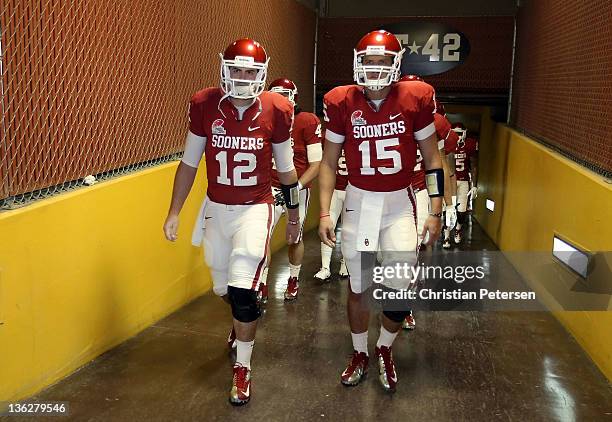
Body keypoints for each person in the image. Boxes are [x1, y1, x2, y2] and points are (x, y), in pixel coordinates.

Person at [162, 38, 300, 406]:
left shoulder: (277, 108)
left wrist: (295, 216)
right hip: (216, 207)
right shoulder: (205, 104)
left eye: (250, 71)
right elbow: (189, 163)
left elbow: (286, 171)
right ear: (224, 68)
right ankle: (243, 318)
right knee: (223, 289)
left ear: (262, 74)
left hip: (256, 207)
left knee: (241, 288)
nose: (242, 77)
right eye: (236, 69)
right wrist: (174, 211)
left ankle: (243, 366)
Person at [318, 30, 444, 392]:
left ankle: (384, 346)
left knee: (400, 287)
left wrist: (435, 210)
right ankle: (359, 353)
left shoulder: (414, 98)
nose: (374, 69)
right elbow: (329, 163)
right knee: (359, 284)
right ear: (357, 63)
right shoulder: (341, 101)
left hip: (399, 201)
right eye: (368, 61)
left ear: (396, 65)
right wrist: (325, 212)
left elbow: (433, 159)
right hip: (359, 199)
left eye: (382, 62)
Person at [397, 75, 459, 330]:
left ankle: (406, 303)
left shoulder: (437, 123)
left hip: (420, 188)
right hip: (390, 190)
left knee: (415, 247)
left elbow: (444, 164)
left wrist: (449, 203)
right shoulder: (386, 112)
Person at [258, 78, 322, 301]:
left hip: (297, 187)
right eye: (277, 95)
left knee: (295, 237)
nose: (281, 100)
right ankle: (262, 282)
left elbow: (316, 164)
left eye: (285, 94)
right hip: (269, 188)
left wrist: (296, 187)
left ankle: (293, 278)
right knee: (261, 238)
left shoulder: (306, 121)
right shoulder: (264, 119)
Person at [314, 148, 349, 281]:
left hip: (353, 190)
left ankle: (346, 262)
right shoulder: (331, 137)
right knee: (329, 226)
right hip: (334, 189)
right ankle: (325, 267)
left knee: (349, 230)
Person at [450, 123, 478, 244]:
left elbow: (474, 165)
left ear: (465, 133)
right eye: (455, 133)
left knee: (461, 211)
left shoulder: (470, 144)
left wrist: (475, 185)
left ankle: (458, 229)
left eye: (460, 133)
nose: (457, 136)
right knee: (448, 209)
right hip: (450, 180)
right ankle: (446, 236)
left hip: (463, 180)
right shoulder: (447, 143)